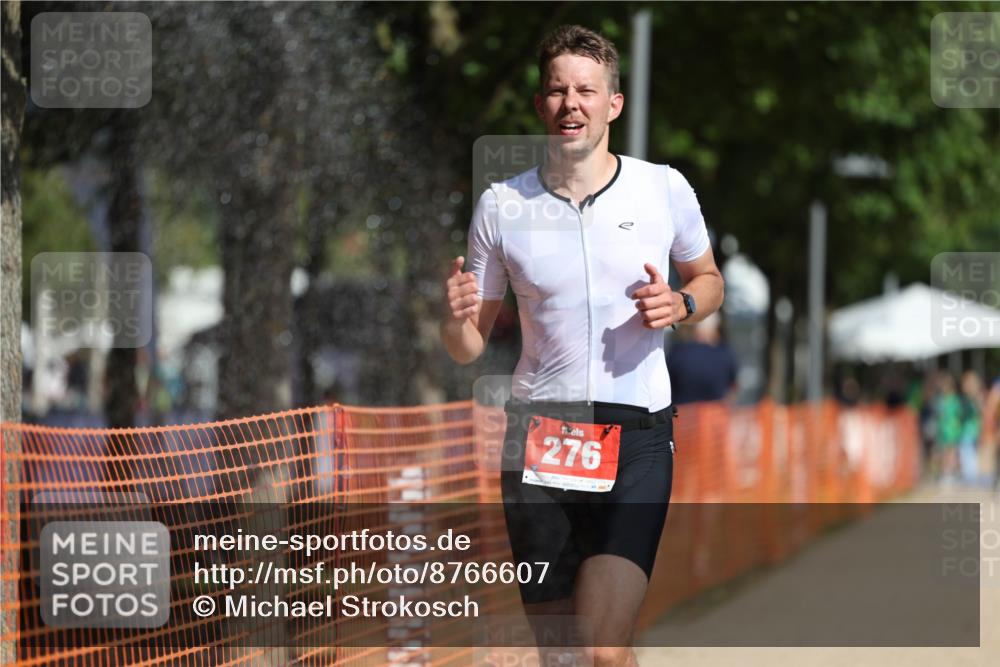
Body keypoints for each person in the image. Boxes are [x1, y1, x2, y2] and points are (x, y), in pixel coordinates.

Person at [441, 25, 724, 667]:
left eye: (587, 91)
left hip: (638, 437)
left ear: (613, 104)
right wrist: (452, 317)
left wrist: (679, 305)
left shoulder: (663, 189)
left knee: (601, 647)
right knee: (561, 655)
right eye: (558, 91)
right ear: (541, 105)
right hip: (542, 436)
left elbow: (709, 281)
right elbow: (466, 346)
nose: (572, 103)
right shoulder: (502, 206)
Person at [665, 311, 737, 404]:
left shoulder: (678, 353)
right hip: (716, 414)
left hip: (682, 413)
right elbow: (733, 388)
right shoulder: (725, 354)